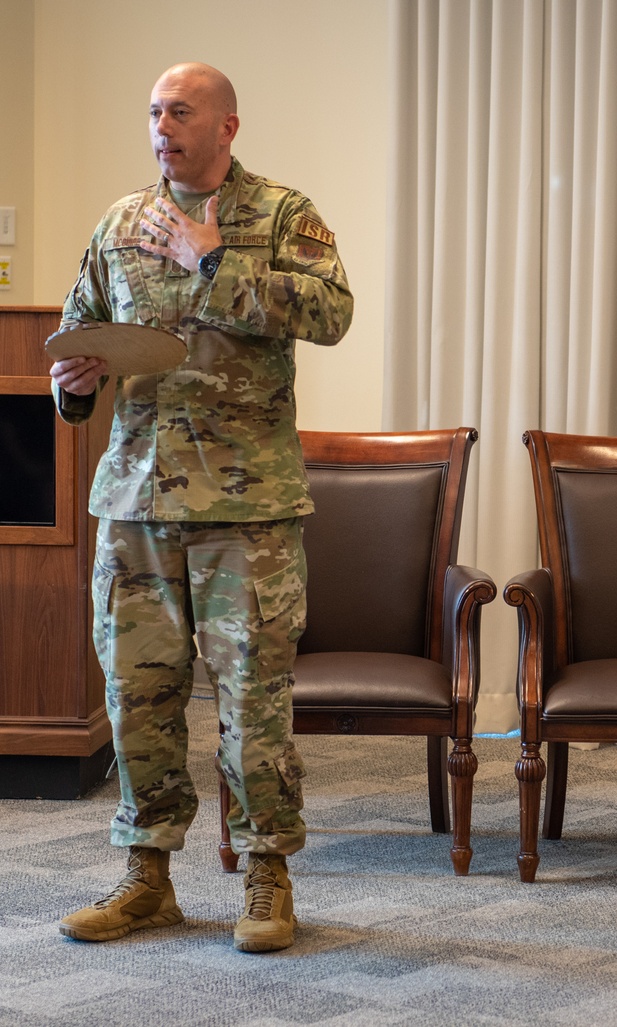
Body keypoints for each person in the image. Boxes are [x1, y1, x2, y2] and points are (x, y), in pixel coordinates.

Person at [50, 62, 353, 953]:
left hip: (246, 507)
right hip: (136, 503)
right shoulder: (119, 222)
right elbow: (76, 335)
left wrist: (213, 263)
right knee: (136, 694)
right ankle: (147, 877)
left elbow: (332, 312)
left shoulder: (282, 213)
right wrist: (72, 386)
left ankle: (267, 873)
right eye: (153, 112)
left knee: (253, 699)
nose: (161, 126)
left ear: (226, 126)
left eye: (179, 111)